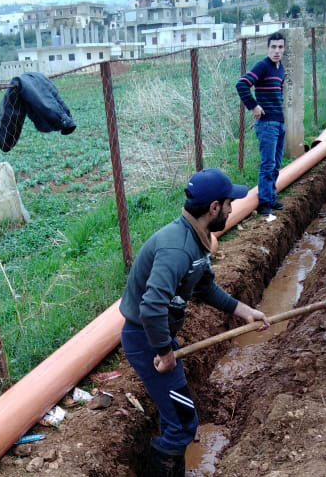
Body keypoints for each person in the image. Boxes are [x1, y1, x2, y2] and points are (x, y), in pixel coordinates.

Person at [119, 168, 270, 477]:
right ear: (214, 208)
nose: (232, 208)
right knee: (184, 422)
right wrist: (165, 351)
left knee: (178, 413)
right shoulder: (177, 248)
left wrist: (244, 310)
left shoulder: (196, 239)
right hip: (146, 340)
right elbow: (150, 307)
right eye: (229, 203)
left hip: (158, 336)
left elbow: (204, 286)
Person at [236, 31, 287, 215]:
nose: (277, 51)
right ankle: (264, 203)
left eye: (280, 47)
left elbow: (278, 93)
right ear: (268, 48)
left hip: (280, 123)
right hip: (267, 124)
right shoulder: (262, 66)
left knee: (276, 163)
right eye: (273, 47)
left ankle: (271, 197)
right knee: (267, 164)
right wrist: (254, 106)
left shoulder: (280, 69)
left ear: (284, 49)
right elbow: (242, 84)